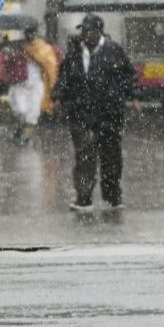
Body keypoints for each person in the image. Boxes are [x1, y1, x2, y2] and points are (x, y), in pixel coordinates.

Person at [53, 13, 138, 212]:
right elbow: (65, 77)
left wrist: (134, 96)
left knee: (111, 156)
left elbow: (128, 76)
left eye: (89, 30)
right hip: (81, 112)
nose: (86, 35)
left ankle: (113, 196)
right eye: (83, 31)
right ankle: (84, 198)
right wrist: (58, 96)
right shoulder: (74, 53)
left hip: (109, 113)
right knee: (85, 155)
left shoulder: (114, 51)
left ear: (99, 31)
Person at [6, 24, 60, 143]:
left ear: (36, 32)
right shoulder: (18, 46)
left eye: (31, 32)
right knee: (20, 109)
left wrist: (31, 54)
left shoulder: (44, 47)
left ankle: (26, 137)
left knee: (33, 112)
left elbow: (49, 66)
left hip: (36, 84)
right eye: (27, 32)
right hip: (20, 84)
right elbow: (8, 64)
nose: (29, 35)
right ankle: (21, 131)